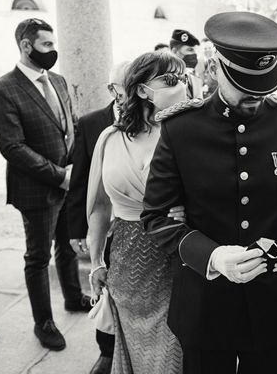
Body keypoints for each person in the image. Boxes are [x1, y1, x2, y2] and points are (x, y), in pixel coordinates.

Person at [142, 11, 277, 374]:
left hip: (274, 301)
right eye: (245, 86)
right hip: (205, 305)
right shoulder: (181, 128)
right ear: (214, 69)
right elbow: (155, 216)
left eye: (264, 87)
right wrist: (212, 257)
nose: (257, 98)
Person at [0, 18, 90, 352]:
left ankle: (73, 298)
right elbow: (12, 148)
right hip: (36, 190)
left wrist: (75, 166)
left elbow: (70, 126)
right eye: (46, 45)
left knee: (67, 245)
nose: (53, 51)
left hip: (68, 181)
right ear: (26, 46)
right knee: (37, 257)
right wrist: (60, 176)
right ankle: (43, 322)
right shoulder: (3, 90)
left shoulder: (57, 80)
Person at [87, 53, 187, 374]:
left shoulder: (184, 135)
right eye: (171, 80)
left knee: (171, 353)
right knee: (132, 351)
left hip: (174, 255)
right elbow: (100, 206)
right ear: (142, 90)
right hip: (126, 260)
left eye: (183, 79)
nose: (181, 86)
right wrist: (96, 262)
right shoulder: (109, 138)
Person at [67, 61, 129, 374]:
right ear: (112, 89)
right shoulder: (92, 124)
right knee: (104, 289)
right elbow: (79, 181)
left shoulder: (155, 120)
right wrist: (78, 229)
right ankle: (106, 352)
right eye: (124, 87)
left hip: (136, 225)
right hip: (105, 223)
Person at [169, 29, 203, 98]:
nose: (194, 54)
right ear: (174, 52)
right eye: (190, 50)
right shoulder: (165, 79)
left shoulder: (192, 77)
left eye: (195, 50)